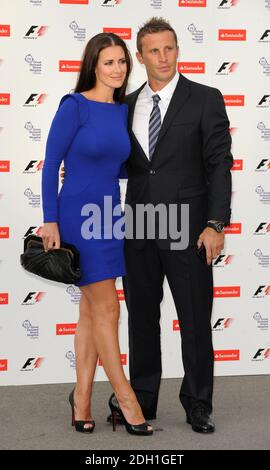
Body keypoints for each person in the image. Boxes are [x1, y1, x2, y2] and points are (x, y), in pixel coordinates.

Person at [108, 17, 233, 433]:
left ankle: (198, 402)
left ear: (178, 50)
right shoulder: (122, 105)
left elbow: (219, 166)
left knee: (195, 318)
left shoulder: (205, 98)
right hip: (139, 223)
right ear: (139, 57)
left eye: (170, 48)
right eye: (154, 51)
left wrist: (216, 223)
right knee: (142, 318)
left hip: (189, 225)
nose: (163, 57)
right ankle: (142, 399)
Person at [41, 32, 153, 436]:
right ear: (93, 65)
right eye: (108, 62)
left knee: (90, 314)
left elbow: (118, 164)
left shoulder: (122, 111)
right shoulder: (75, 106)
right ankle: (126, 398)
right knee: (108, 308)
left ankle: (82, 400)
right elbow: (51, 162)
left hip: (107, 214)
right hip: (75, 215)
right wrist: (49, 219)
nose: (117, 69)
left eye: (122, 61)